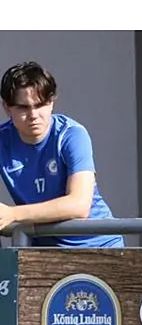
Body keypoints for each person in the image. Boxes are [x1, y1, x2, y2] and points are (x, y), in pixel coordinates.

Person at [0, 62, 123, 247]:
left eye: (40, 105)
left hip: (97, 246)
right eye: (23, 107)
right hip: (43, 251)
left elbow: (79, 205)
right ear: (7, 108)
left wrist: (13, 214)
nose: (33, 114)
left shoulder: (71, 134)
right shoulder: (3, 139)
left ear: (51, 103)